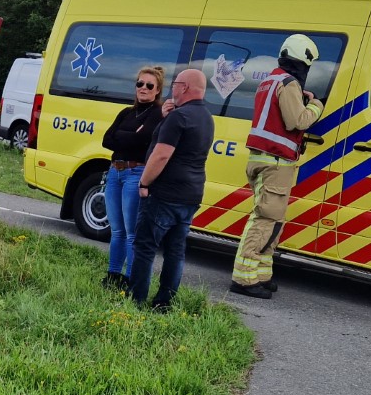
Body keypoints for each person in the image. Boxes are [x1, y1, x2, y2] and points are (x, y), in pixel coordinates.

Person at [230, 34, 327, 299]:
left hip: (263, 160)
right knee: (265, 220)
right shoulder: (289, 83)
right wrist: (317, 105)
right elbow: (298, 120)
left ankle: (261, 275)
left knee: (273, 220)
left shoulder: (269, 80)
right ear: (302, 60)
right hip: (275, 162)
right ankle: (244, 279)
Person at [129, 67, 214, 313]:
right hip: (191, 194)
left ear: (185, 87)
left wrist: (144, 183)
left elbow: (161, 155)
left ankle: (135, 301)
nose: (172, 88)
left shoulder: (179, 117)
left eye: (175, 83)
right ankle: (164, 302)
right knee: (175, 251)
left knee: (145, 247)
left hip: (165, 193)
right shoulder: (206, 117)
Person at [100, 65, 166, 288]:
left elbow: (144, 141)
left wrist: (123, 136)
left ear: (157, 90)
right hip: (115, 171)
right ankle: (113, 275)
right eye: (140, 83)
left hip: (135, 173)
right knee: (116, 229)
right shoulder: (126, 113)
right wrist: (130, 135)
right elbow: (106, 140)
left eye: (149, 85)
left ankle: (131, 279)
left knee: (131, 232)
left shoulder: (157, 114)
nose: (143, 88)